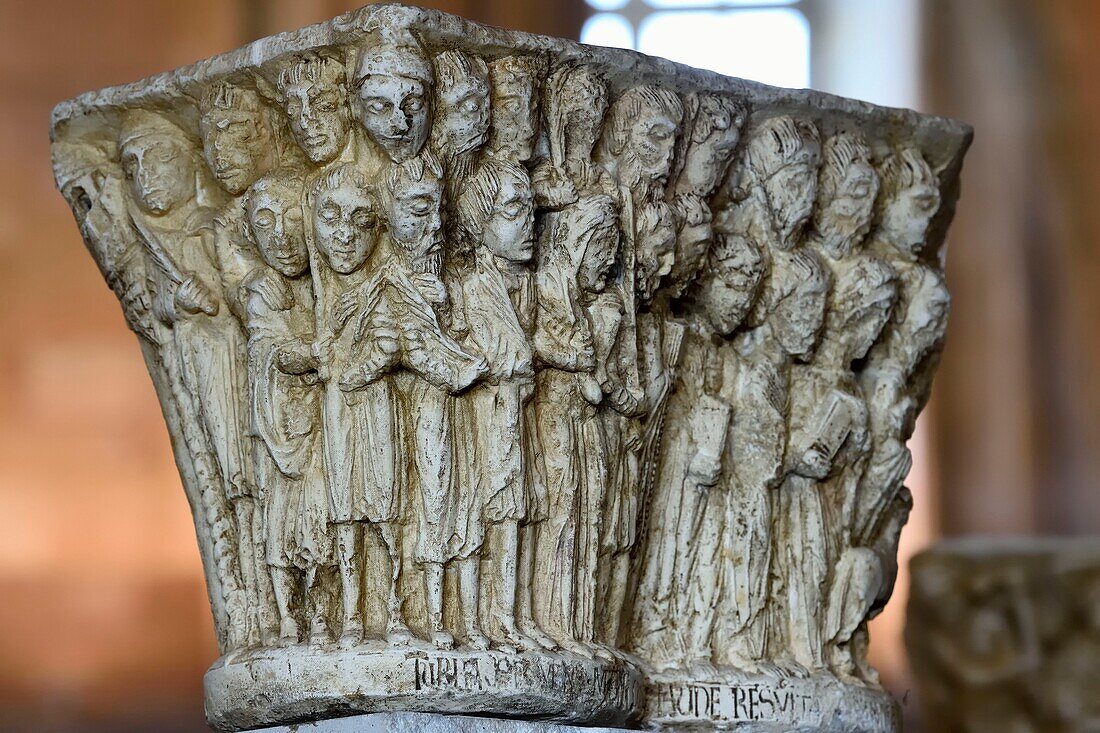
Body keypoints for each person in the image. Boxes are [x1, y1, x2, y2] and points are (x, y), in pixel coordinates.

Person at [307, 163, 405, 646]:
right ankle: (350, 612)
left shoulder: (390, 283)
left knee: (386, 505)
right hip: (336, 409)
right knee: (344, 508)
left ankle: (395, 608)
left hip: (378, 406)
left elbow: (400, 342)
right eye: (331, 218)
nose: (345, 235)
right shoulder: (315, 293)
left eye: (362, 222)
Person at [454, 158, 544, 651]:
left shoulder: (527, 286)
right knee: (481, 517)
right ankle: (475, 620)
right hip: (483, 422)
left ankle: (513, 614)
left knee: (518, 513)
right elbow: (503, 355)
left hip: (514, 417)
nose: (528, 222)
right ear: (480, 223)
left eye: (531, 209)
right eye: (513, 210)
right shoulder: (473, 287)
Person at [240, 172, 333, 644]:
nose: (279, 234)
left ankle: (323, 614)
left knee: (321, 518)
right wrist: (316, 353)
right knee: (277, 522)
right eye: (264, 222)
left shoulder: (329, 280)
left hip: (324, 428)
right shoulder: (261, 291)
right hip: (280, 428)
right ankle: (287, 616)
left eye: (292, 216)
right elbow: (268, 347)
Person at [532, 193, 621, 657]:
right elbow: (525, 345)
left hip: (589, 427)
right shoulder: (547, 294)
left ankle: (581, 625)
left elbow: (606, 379)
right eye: (599, 247)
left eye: (613, 249)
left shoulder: (605, 309)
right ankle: (553, 621)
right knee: (560, 512)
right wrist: (569, 358)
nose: (608, 260)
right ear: (575, 245)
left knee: (591, 518)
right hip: (551, 420)